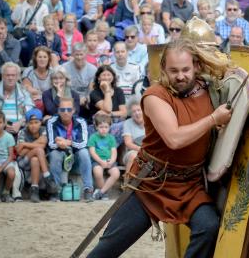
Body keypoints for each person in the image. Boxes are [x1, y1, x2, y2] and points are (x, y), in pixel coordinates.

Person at [88, 38, 233, 258]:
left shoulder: (209, 89)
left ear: (195, 66)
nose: (181, 76)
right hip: (150, 184)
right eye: (174, 70)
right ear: (164, 68)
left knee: (208, 226)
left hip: (189, 186)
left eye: (186, 69)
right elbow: (174, 139)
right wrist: (214, 118)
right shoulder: (154, 96)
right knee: (107, 250)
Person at [46, 97, 94, 201]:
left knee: (84, 153)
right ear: (58, 110)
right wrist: (60, 145)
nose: (65, 112)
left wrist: (68, 142)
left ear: (73, 110)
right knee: (54, 154)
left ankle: (88, 189)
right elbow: (51, 144)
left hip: (76, 157)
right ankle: (55, 191)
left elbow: (84, 143)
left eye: (69, 109)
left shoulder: (81, 121)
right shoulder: (51, 121)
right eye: (62, 110)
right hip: (60, 155)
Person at [16, 108, 57, 202]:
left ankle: (34, 190)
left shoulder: (44, 130)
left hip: (40, 161)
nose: (33, 125)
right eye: (31, 123)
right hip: (24, 162)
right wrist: (37, 145)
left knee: (35, 159)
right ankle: (48, 178)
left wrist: (25, 144)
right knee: (38, 150)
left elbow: (43, 144)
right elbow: (20, 152)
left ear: (41, 122)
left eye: (36, 122)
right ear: (26, 124)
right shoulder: (22, 132)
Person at [0, 62, 35, 136]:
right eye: (7, 75)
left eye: (13, 75)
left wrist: (20, 123)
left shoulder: (24, 91)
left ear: (18, 76)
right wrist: (3, 124)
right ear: (2, 76)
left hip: (20, 129)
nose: (10, 78)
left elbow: (30, 112)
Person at [88, 114, 120, 200]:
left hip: (109, 161)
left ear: (109, 127)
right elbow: (92, 152)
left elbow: (114, 152)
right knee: (98, 172)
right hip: (97, 161)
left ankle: (101, 192)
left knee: (116, 173)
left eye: (106, 127)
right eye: (101, 127)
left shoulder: (111, 138)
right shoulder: (93, 137)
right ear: (96, 127)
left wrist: (112, 161)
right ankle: (104, 194)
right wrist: (101, 162)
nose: (104, 129)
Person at [0, 110, 17, 203]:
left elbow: (11, 156)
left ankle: (6, 193)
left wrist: (2, 167)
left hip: (6, 160)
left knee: (11, 173)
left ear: (4, 123)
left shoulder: (9, 137)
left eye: (0, 122)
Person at [62, 43, 98, 111]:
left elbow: (91, 89)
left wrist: (86, 99)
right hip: (70, 100)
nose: (79, 57)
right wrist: (76, 100)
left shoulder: (93, 69)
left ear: (86, 54)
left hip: (86, 100)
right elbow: (63, 89)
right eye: (76, 54)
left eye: (81, 54)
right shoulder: (64, 68)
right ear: (72, 54)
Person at [121, 98, 144, 174]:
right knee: (134, 156)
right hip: (132, 151)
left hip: (149, 152)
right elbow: (128, 143)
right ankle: (127, 182)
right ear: (131, 113)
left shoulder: (150, 121)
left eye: (139, 110)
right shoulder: (128, 123)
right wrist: (142, 150)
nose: (137, 113)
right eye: (134, 111)